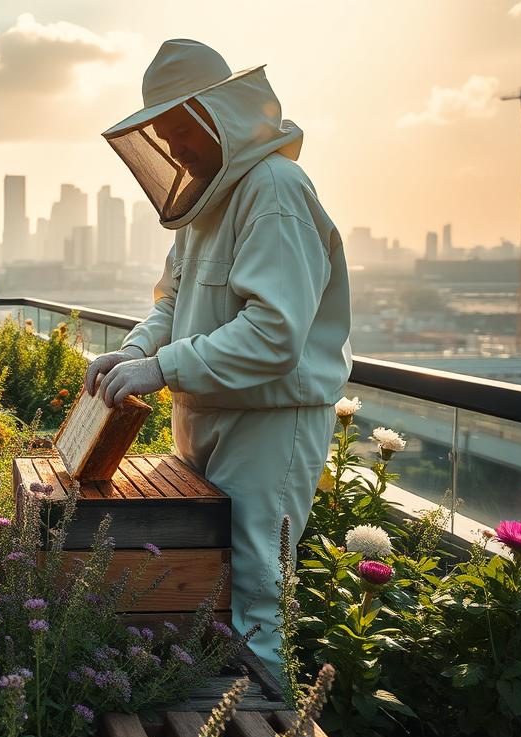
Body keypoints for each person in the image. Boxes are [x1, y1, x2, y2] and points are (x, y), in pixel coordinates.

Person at [86, 39, 351, 681]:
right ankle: (220, 727)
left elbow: (274, 332)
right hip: (206, 413)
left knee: (256, 590)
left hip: (269, 421)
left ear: (218, 116)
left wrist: (162, 367)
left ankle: (267, 730)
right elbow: (172, 302)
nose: (174, 150)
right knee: (209, 580)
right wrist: (136, 349)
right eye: (164, 134)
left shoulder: (275, 189)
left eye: (181, 130)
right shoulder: (205, 206)